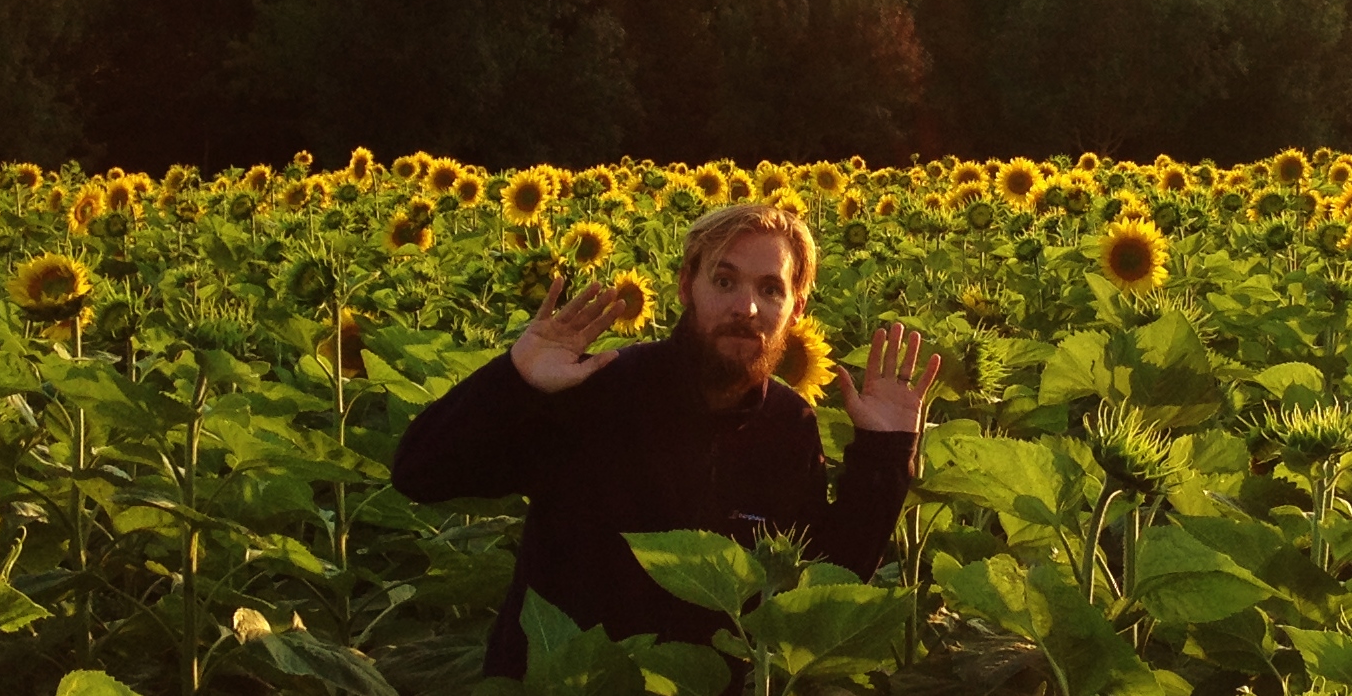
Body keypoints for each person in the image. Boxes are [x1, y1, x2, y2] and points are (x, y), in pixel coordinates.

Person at [391, 201, 940, 678]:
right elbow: (421, 474)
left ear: (795, 310)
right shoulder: (598, 390)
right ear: (685, 287)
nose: (746, 308)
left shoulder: (788, 426)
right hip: (563, 682)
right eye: (724, 281)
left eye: (770, 289)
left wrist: (885, 454)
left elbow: (818, 589)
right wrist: (514, 381)